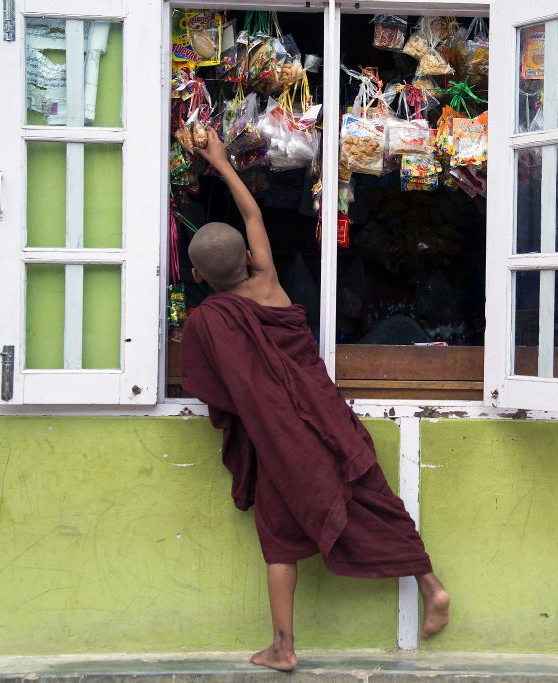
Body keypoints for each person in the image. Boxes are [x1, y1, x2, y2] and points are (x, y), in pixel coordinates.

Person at [180, 132, 450, 672]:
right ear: (251, 259)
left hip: (282, 441)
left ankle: (283, 646)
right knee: (373, 496)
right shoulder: (270, 286)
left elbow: (221, 388)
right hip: (329, 418)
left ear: (196, 277)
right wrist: (220, 161)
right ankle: (432, 585)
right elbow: (252, 213)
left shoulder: (209, 319)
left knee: (279, 539)